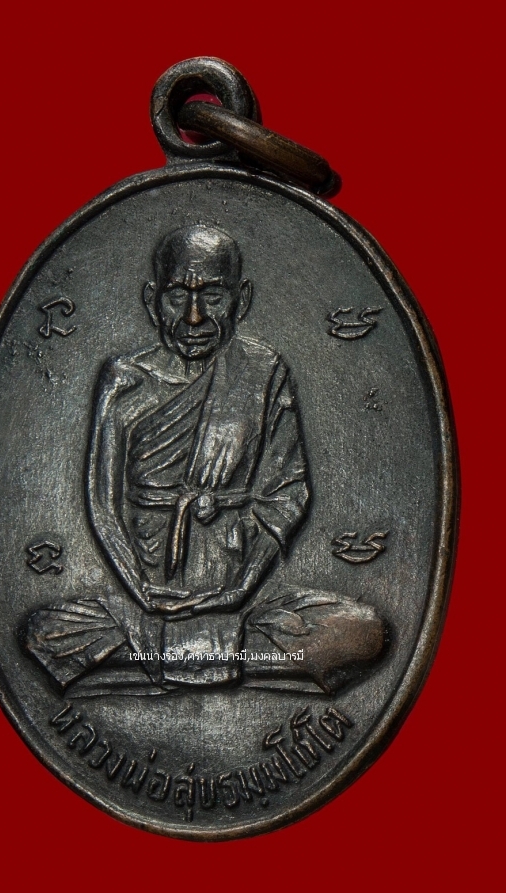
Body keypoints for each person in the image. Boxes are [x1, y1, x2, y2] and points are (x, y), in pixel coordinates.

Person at [25, 225, 385, 692]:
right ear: (152, 300)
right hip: (141, 597)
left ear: (242, 300)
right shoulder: (125, 379)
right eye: (178, 296)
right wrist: (142, 592)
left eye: (212, 296)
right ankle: (217, 656)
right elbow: (101, 503)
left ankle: (158, 659)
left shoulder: (263, 371)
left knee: (359, 634)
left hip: (236, 591)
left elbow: (285, 496)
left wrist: (238, 590)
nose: (193, 317)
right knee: (44, 632)